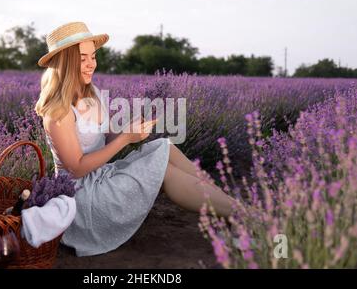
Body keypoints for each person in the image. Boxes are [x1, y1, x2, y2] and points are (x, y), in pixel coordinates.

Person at [34, 22, 236, 257]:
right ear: (66, 63)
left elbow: (107, 135)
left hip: (102, 175)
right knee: (166, 172)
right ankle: (240, 214)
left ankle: (230, 207)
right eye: (83, 59)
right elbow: (77, 168)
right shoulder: (58, 111)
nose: (92, 64)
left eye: (93, 56)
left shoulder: (93, 92)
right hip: (83, 197)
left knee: (164, 146)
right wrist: (126, 140)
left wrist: (130, 131)